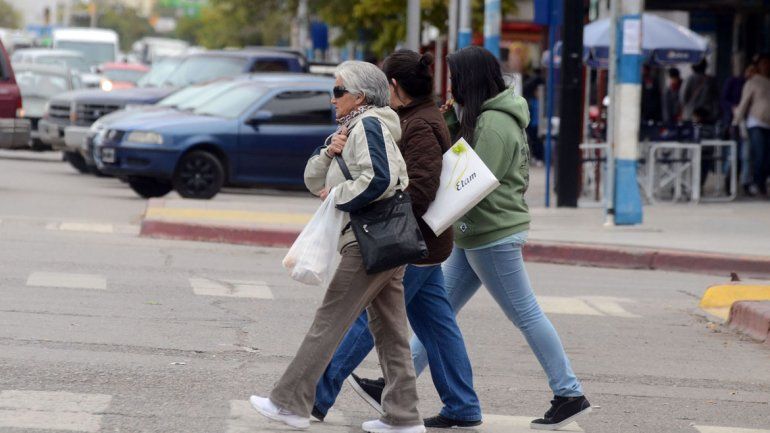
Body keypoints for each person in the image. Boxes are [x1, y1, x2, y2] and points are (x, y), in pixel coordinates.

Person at [356, 46, 591, 431]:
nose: (451, 86)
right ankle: (393, 382)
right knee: (438, 316)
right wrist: (449, 115)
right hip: (472, 234)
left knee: (525, 314)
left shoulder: (496, 124)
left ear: (471, 79)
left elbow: (472, 181)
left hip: (492, 234)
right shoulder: (481, 116)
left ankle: (569, 392)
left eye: (455, 79)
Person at [249, 60, 425, 433]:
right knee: (391, 332)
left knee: (328, 322)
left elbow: (380, 178)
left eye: (338, 91)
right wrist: (330, 152)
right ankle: (403, 416)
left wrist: (338, 195)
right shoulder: (352, 129)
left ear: (360, 96)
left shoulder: (370, 124)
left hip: (368, 241)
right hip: (384, 242)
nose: (332, 99)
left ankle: (290, 403)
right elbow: (313, 180)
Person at [311, 50, 483, 429]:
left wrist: (374, 205)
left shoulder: (420, 125)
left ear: (392, 85)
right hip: (424, 242)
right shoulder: (415, 117)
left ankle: (315, 398)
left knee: (361, 321)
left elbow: (420, 188)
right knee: (438, 327)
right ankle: (462, 405)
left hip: (407, 242)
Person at [734, 54, 770, 197]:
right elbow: (744, 102)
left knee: (767, 157)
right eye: (764, 63)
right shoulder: (753, 82)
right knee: (759, 155)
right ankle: (756, 183)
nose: (766, 66)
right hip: (756, 123)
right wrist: (737, 121)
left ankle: (761, 182)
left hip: (769, 124)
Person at [681, 59, 719, 124]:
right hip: (707, 115)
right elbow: (716, 98)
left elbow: (683, 98)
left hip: (691, 115)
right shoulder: (711, 80)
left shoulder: (689, 79)